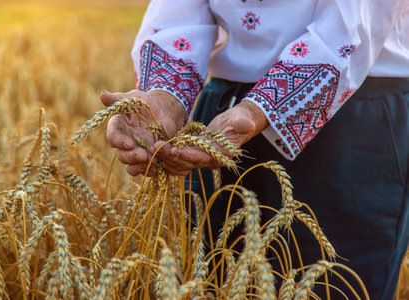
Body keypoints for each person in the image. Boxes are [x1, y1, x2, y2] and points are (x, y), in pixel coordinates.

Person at [100, 1, 408, 298]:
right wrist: (166, 98)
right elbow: (178, 13)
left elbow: (355, 21)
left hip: (351, 113)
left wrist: (263, 108)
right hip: (223, 111)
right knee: (214, 285)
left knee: (326, 286)